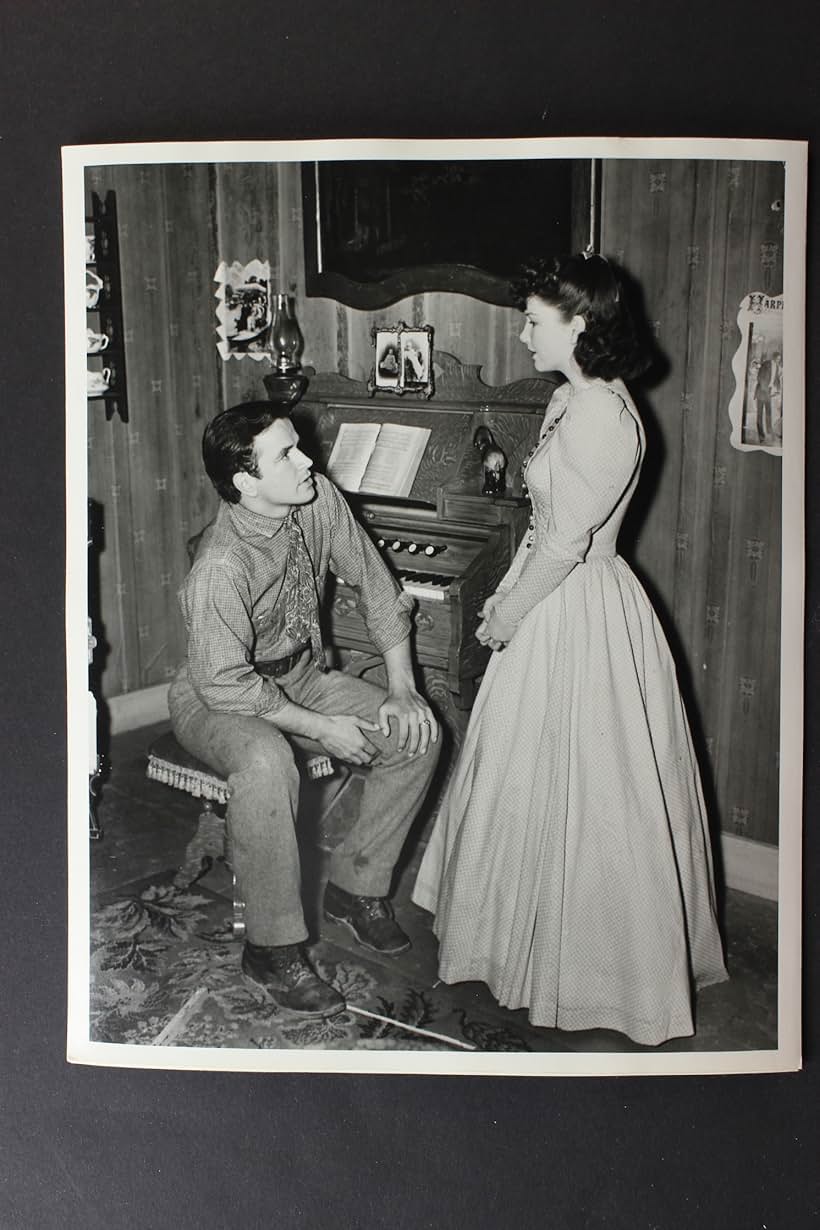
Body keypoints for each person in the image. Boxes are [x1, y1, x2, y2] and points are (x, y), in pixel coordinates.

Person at [413, 254, 728, 1047]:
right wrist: (504, 596)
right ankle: (515, 943)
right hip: (551, 591)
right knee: (526, 779)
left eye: (533, 320)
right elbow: (542, 529)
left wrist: (507, 616)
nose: (520, 331)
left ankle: (594, 972)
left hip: (580, 609)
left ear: (580, 325)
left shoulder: (604, 418)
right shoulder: (568, 397)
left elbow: (564, 549)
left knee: (591, 791)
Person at [169, 402, 440, 1020]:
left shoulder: (315, 498)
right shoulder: (221, 563)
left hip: (299, 675)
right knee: (267, 765)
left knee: (416, 734)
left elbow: (375, 582)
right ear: (245, 481)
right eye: (286, 454)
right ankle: (272, 949)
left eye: (299, 446)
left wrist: (402, 687)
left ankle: (357, 886)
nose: (309, 460)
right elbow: (226, 685)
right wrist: (321, 729)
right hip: (217, 695)